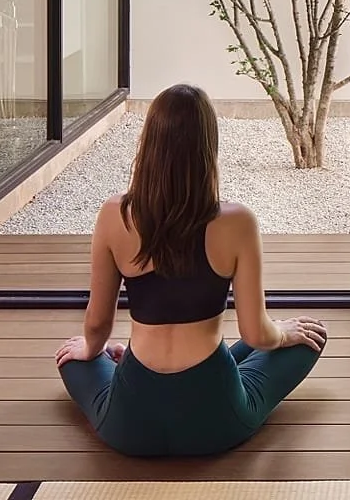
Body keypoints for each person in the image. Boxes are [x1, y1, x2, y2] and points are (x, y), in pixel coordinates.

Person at [55, 83, 328, 457]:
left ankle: (119, 361)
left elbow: (97, 325)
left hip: (129, 425)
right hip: (217, 421)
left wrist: (93, 350)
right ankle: (233, 360)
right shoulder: (237, 222)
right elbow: (257, 332)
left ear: (148, 142)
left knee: (73, 358)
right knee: (307, 337)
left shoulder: (114, 215)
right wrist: (281, 333)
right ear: (208, 147)